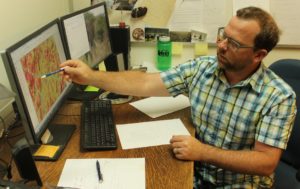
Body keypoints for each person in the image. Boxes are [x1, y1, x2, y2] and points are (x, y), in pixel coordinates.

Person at [60, 6, 297, 189]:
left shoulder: (278, 96)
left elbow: (265, 163)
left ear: (259, 55)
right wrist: (90, 76)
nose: (222, 46)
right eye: (223, 35)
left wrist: (202, 152)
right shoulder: (203, 68)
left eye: (233, 43)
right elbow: (144, 82)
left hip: (236, 183)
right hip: (193, 171)